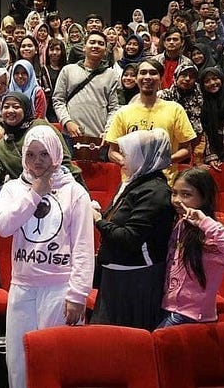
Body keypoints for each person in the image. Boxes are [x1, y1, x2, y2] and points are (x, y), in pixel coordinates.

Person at [0, 124, 94, 388]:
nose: (37, 161)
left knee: (59, 361)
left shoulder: (75, 192)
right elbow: (4, 226)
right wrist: (35, 192)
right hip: (22, 288)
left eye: (44, 154)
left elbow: (83, 248)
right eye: (30, 154)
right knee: (19, 361)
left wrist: (78, 295)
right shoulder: (13, 189)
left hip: (60, 289)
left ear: (56, 154)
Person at [91, 129, 176, 330]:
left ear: (143, 157)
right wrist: (100, 215)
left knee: (128, 343)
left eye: (128, 154)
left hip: (136, 282)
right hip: (116, 276)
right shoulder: (136, 182)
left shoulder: (156, 192)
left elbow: (130, 238)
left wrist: (98, 221)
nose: (122, 160)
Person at [158, 167, 224, 327]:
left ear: (204, 198)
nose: (177, 200)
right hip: (168, 308)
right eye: (174, 193)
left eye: (186, 195)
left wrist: (205, 223)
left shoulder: (210, 233)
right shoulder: (180, 224)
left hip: (191, 316)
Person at [105, 59, 196, 181]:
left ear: (161, 79)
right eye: (143, 72)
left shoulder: (175, 110)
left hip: (165, 182)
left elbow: (186, 149)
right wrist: (126, 162)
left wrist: (163, 162)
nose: (147, 77)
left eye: (153, 73)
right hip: (132, 182)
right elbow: (112, 152)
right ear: (136, 78)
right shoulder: (123, 112)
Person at [0, 91, 82, 189]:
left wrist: (62, 186)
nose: (10, 110)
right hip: (31, 195)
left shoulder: (39, 125)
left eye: (16, 107)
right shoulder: (2, 146)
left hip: (64, 184)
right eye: (6, 107)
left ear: (25, 109)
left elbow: (63, 158)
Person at [52, 31, 121, 141]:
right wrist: (67, 122)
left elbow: (114, 108)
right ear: (84, 47)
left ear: (105, 51)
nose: (96, 46)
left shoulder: (112, 75)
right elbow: (58, 100)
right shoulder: (68, 70)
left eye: (100, 44)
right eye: (92, 42)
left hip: (99, 136)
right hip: (70, 135)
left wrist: (108, 131)